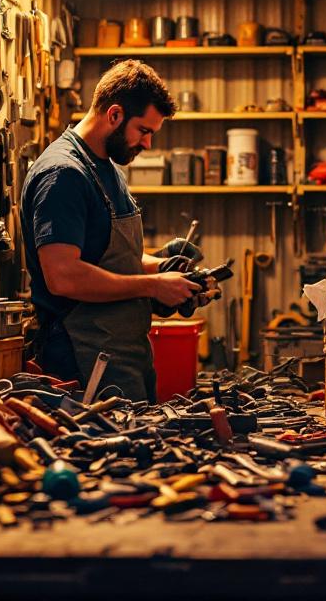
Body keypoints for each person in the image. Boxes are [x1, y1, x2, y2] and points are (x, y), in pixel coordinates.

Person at [21, 60, 205, 402]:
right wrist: (152, 285)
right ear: (115, 115)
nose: (147, 144)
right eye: (144, 131)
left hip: (119, 352)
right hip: (81, 359)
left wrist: (165, 266)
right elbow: (64, 276)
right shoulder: (64, 174)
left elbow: (108, 256)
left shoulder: (106, 168)